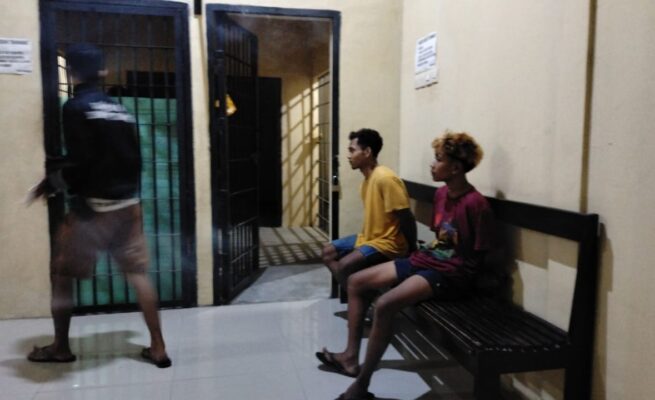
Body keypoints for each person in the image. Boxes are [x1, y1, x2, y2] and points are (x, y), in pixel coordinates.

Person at [317, 131, 494, 400]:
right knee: (355, 281)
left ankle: (361, 386)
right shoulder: (442, 195)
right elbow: (441, 238)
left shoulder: (475, 204)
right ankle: (350, 357)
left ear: (456, 168)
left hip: (450, 273)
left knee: (386, 304)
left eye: (438, 159)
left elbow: (480, 254)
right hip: (428, 260)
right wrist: (420, 255)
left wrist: (481, 281)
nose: (432, 164)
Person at [26, 43, 171, 368]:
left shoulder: (75, 107)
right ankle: (159, 347)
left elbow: (81, 160)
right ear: (103, 72)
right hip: (129, 204)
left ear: (71, 73)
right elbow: (134, 158)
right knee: (138, 274)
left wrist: (54, 183)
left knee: (62, 274)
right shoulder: (120, 110)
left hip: (93, 209)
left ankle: (60, 348)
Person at [322, 128, 417, 288]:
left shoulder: (385, 178)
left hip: (389, 243)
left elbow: (406, 216)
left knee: (345, 265)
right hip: (370, 238)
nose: (349, 156)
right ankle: (359, 292)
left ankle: (359, 292)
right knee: (327, 252)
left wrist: (412, 249)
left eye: (352, 150)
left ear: (367, 152)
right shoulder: (367, 180)